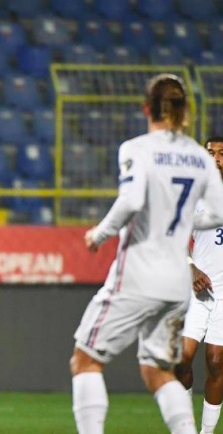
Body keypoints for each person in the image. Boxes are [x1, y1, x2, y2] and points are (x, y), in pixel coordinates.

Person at [71, 74, 223, 434]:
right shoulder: (198, 161)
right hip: (175, 283)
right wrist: (185, 219)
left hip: (140, 271)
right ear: (186, 111)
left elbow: (132, 201)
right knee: (158, 369)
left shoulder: (136, 148)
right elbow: (216, 214)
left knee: (86, 360)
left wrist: (100, 233)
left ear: (145, 108)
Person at [175, 136, 223, 434]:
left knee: (216, 361)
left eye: (222, 153)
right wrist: (191, 268)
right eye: (210, 153)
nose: (216, 157)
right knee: (181, 360)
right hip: (199, 288)